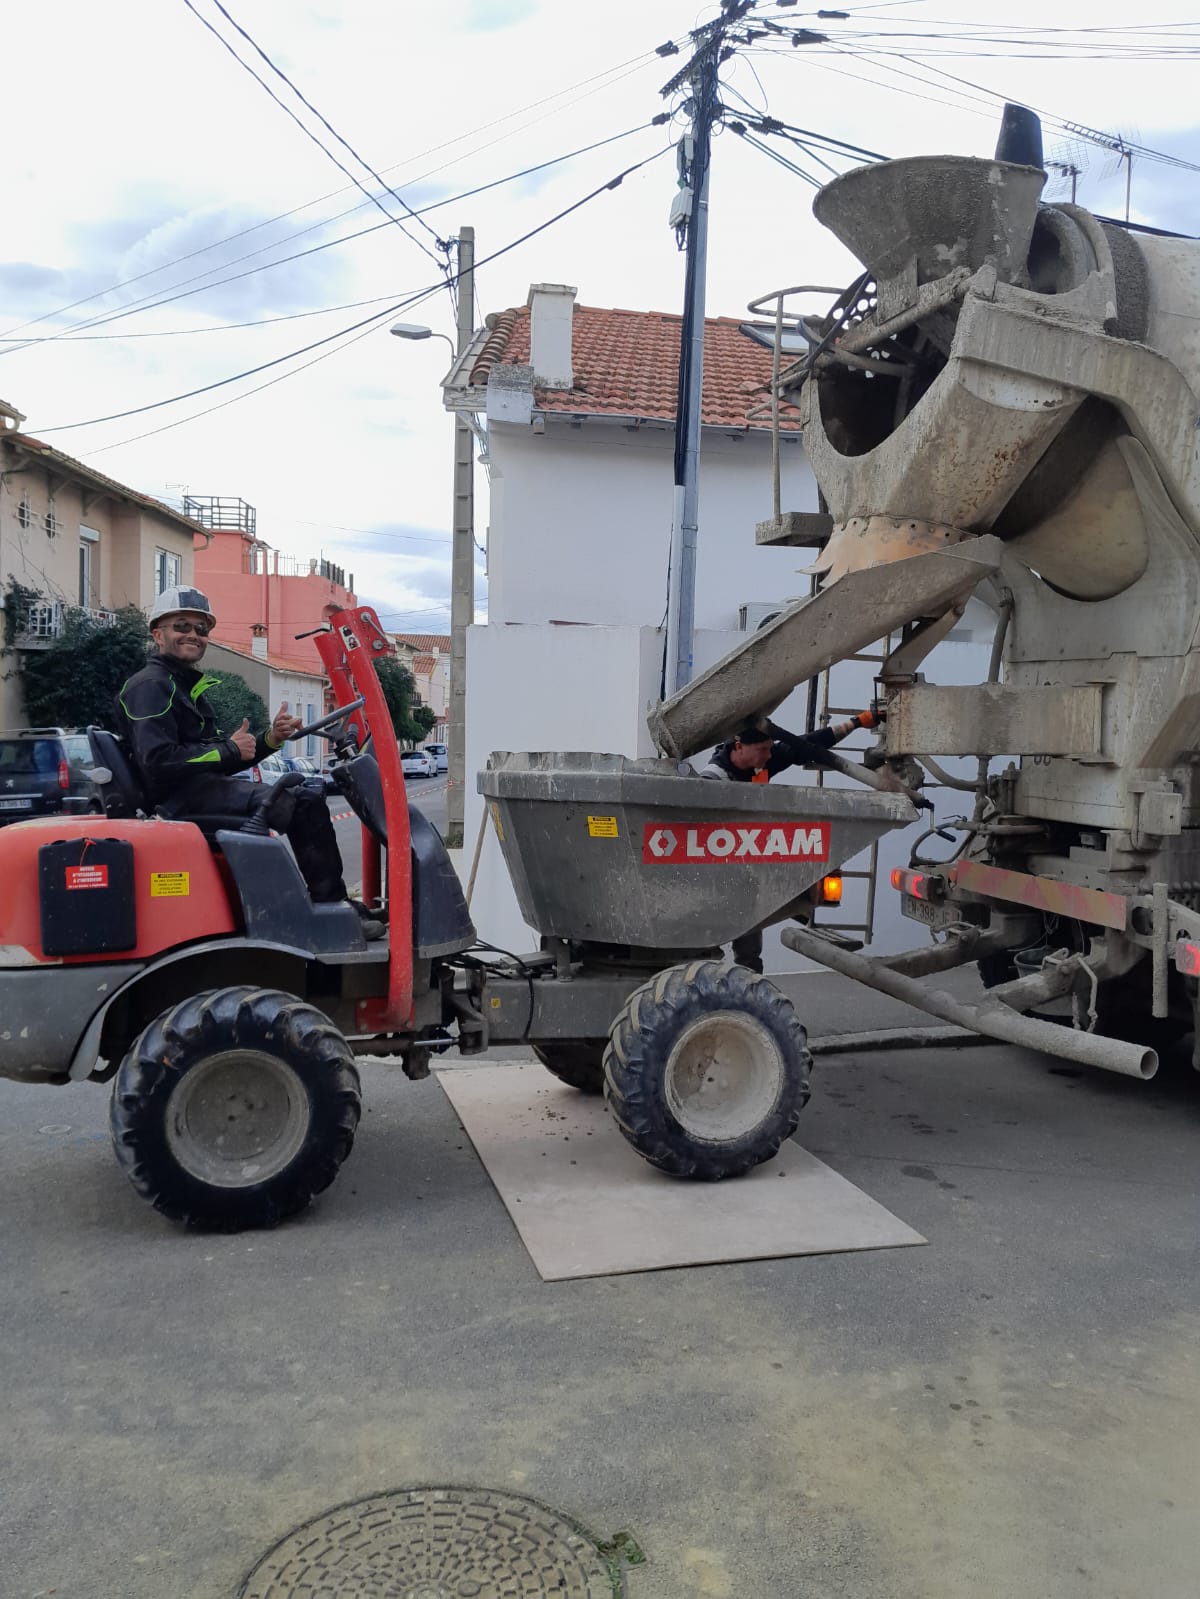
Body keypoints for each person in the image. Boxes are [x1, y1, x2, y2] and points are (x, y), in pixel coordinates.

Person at [119, 586, 383, 939]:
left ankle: (330, 904)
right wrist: (229, 749)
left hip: (198, 790)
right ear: (158, 634)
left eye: (201, 628)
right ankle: (330, 907)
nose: (193, 634)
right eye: (181, 626)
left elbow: (212, 760)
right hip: (178, 800)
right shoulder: (151, 686)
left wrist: (270, 739)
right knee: (303, 801)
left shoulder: (180, 685)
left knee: (305, 792)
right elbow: (158, 761)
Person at [699, 711, 876, 971]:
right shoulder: (713, 779)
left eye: (770, 748)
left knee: (749, 933)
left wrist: (856, 723)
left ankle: (751, 975)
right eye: (762, 749)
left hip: (747, 862)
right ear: (739, 747)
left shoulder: (761, 761)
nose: (769, 755)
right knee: (719, 931)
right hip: (720, 869)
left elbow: (804, 745)